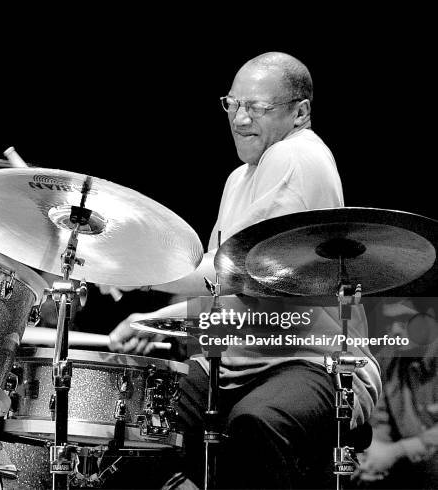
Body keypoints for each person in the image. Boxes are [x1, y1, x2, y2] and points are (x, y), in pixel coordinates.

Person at [107, 52, 381, 489]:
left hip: (313, 362)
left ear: (300, 112)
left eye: (256, 107)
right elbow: (219, 280)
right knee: (138, 419)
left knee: (254, 424)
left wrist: (145, 294)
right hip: (236, 361)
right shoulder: (239, 178)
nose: (239, 118)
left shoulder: (295, 156)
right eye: (232, 104)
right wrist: (140, 287)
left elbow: (246, 282)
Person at [355, 298, 438, 489]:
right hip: (411, 472)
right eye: (388, 322)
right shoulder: (385, 360)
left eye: (403, 320)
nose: (394, 331)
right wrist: (372, 455)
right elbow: (379, 420)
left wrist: (396, 451)